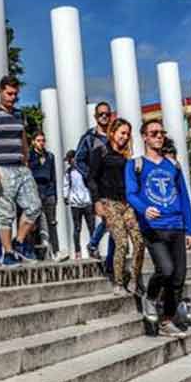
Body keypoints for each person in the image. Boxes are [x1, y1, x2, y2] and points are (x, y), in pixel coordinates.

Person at [126, 119, 191, 337]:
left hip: (176, 225)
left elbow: (184, 197)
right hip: (153, 227)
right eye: (153, 133)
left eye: (161, 133)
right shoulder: (135, 165)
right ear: (144, 137)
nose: (158, 136)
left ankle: (166, 321)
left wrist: (190, 229)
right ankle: (150, 297)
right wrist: (144, 209)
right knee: (165, 269)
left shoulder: (173, 165)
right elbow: (131, 193)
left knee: (178, 277)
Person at [0, 75, 42, 266]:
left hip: (20, 167)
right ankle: (7, 253)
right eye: (9, 93)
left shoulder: (19, 114)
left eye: (15, 94)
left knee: (34, 205)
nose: (12, 97)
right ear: (0, 91)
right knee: (5, 213)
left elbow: (22, 138)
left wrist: (26, 159)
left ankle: (19, 242)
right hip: (0, 167)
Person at [88, 118, 144, 295]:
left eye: (128, 134)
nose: (125, 137)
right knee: (121, 242)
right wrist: (96, 201)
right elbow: (91, 178)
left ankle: (135, 280)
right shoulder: (101, 151)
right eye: (122, 133)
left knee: (139, 240)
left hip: (126, 203)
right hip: (108, 202)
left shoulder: (126, 157)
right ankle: (118, 282)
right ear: (113, 132)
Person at [76, 102, 113, 263]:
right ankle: (103, 253)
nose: (104, 116)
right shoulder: (89, 138)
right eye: (101, 114)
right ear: (95, 117)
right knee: (111, 220)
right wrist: (91, 175)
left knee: (113, 221)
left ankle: (98, 248)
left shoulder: (115, 135)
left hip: (115, 183)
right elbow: (78, 160)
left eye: (107, 114)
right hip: (98, 186)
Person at [28, 131, 64, 261]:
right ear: (33, 142)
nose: (41, 143)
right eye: (38, 140)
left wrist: (54, 194)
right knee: (32, 223)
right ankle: (31, 252)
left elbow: (53, 176)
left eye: (43, 140)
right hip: (35, 191)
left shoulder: (50, 156)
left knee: (52, 223)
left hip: (48, 192)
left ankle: (56, 251)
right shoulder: (29, 156)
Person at [64, 150, 94, 260]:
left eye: (69, 160)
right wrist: (66, 197)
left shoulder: (85, 170)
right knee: (77, 228)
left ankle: (93, 248)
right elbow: (66, 185)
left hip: (87, 202)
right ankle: (78, 251)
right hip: (75, 204)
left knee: (92, 227)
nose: (68, 163)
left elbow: (91, 183)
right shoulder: (68, 172)